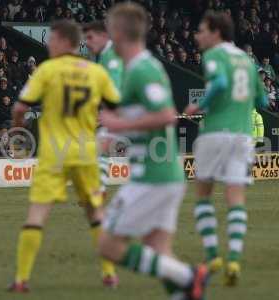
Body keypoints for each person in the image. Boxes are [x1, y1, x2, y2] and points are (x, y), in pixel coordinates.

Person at [99, 3, 209, 300]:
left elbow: (165, 114)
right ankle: (184, 291)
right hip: (161, 174)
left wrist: (118, 123)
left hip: (152, 176)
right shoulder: (138, 68)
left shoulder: (142, 69)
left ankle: (190, 276)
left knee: (108, 245)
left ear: (119, 32)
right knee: (159, 250)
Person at [8, 19, 120, 293]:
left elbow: (20, 108)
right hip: (85, 151)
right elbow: (118, 107)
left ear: (65, 42)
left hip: (55, 152)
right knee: (95, 213)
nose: (48, 43)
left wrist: (17, 133)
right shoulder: (96, 72)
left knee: (37, 214)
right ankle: (109, 274)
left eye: (53, 39)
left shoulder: (47, 70)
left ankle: (22, 279)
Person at [184, 11, 268, 286]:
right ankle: (233, 257)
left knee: (203, 194)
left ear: (216, 32)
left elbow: (219, 83)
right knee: (236, 197)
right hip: (243, 135)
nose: (197, 36)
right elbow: (263, 100)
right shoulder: (247, 59)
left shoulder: (213, 56)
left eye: (201, 30)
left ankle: (212, 254)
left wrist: (200, 105)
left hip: (216, 132)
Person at [82, 19, 123, 288]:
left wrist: (105, 116)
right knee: (99, 168)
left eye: (90, 38)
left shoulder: (110, 58)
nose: (87, 43)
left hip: (116, 120)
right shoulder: (107, 57)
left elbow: (114, 93)